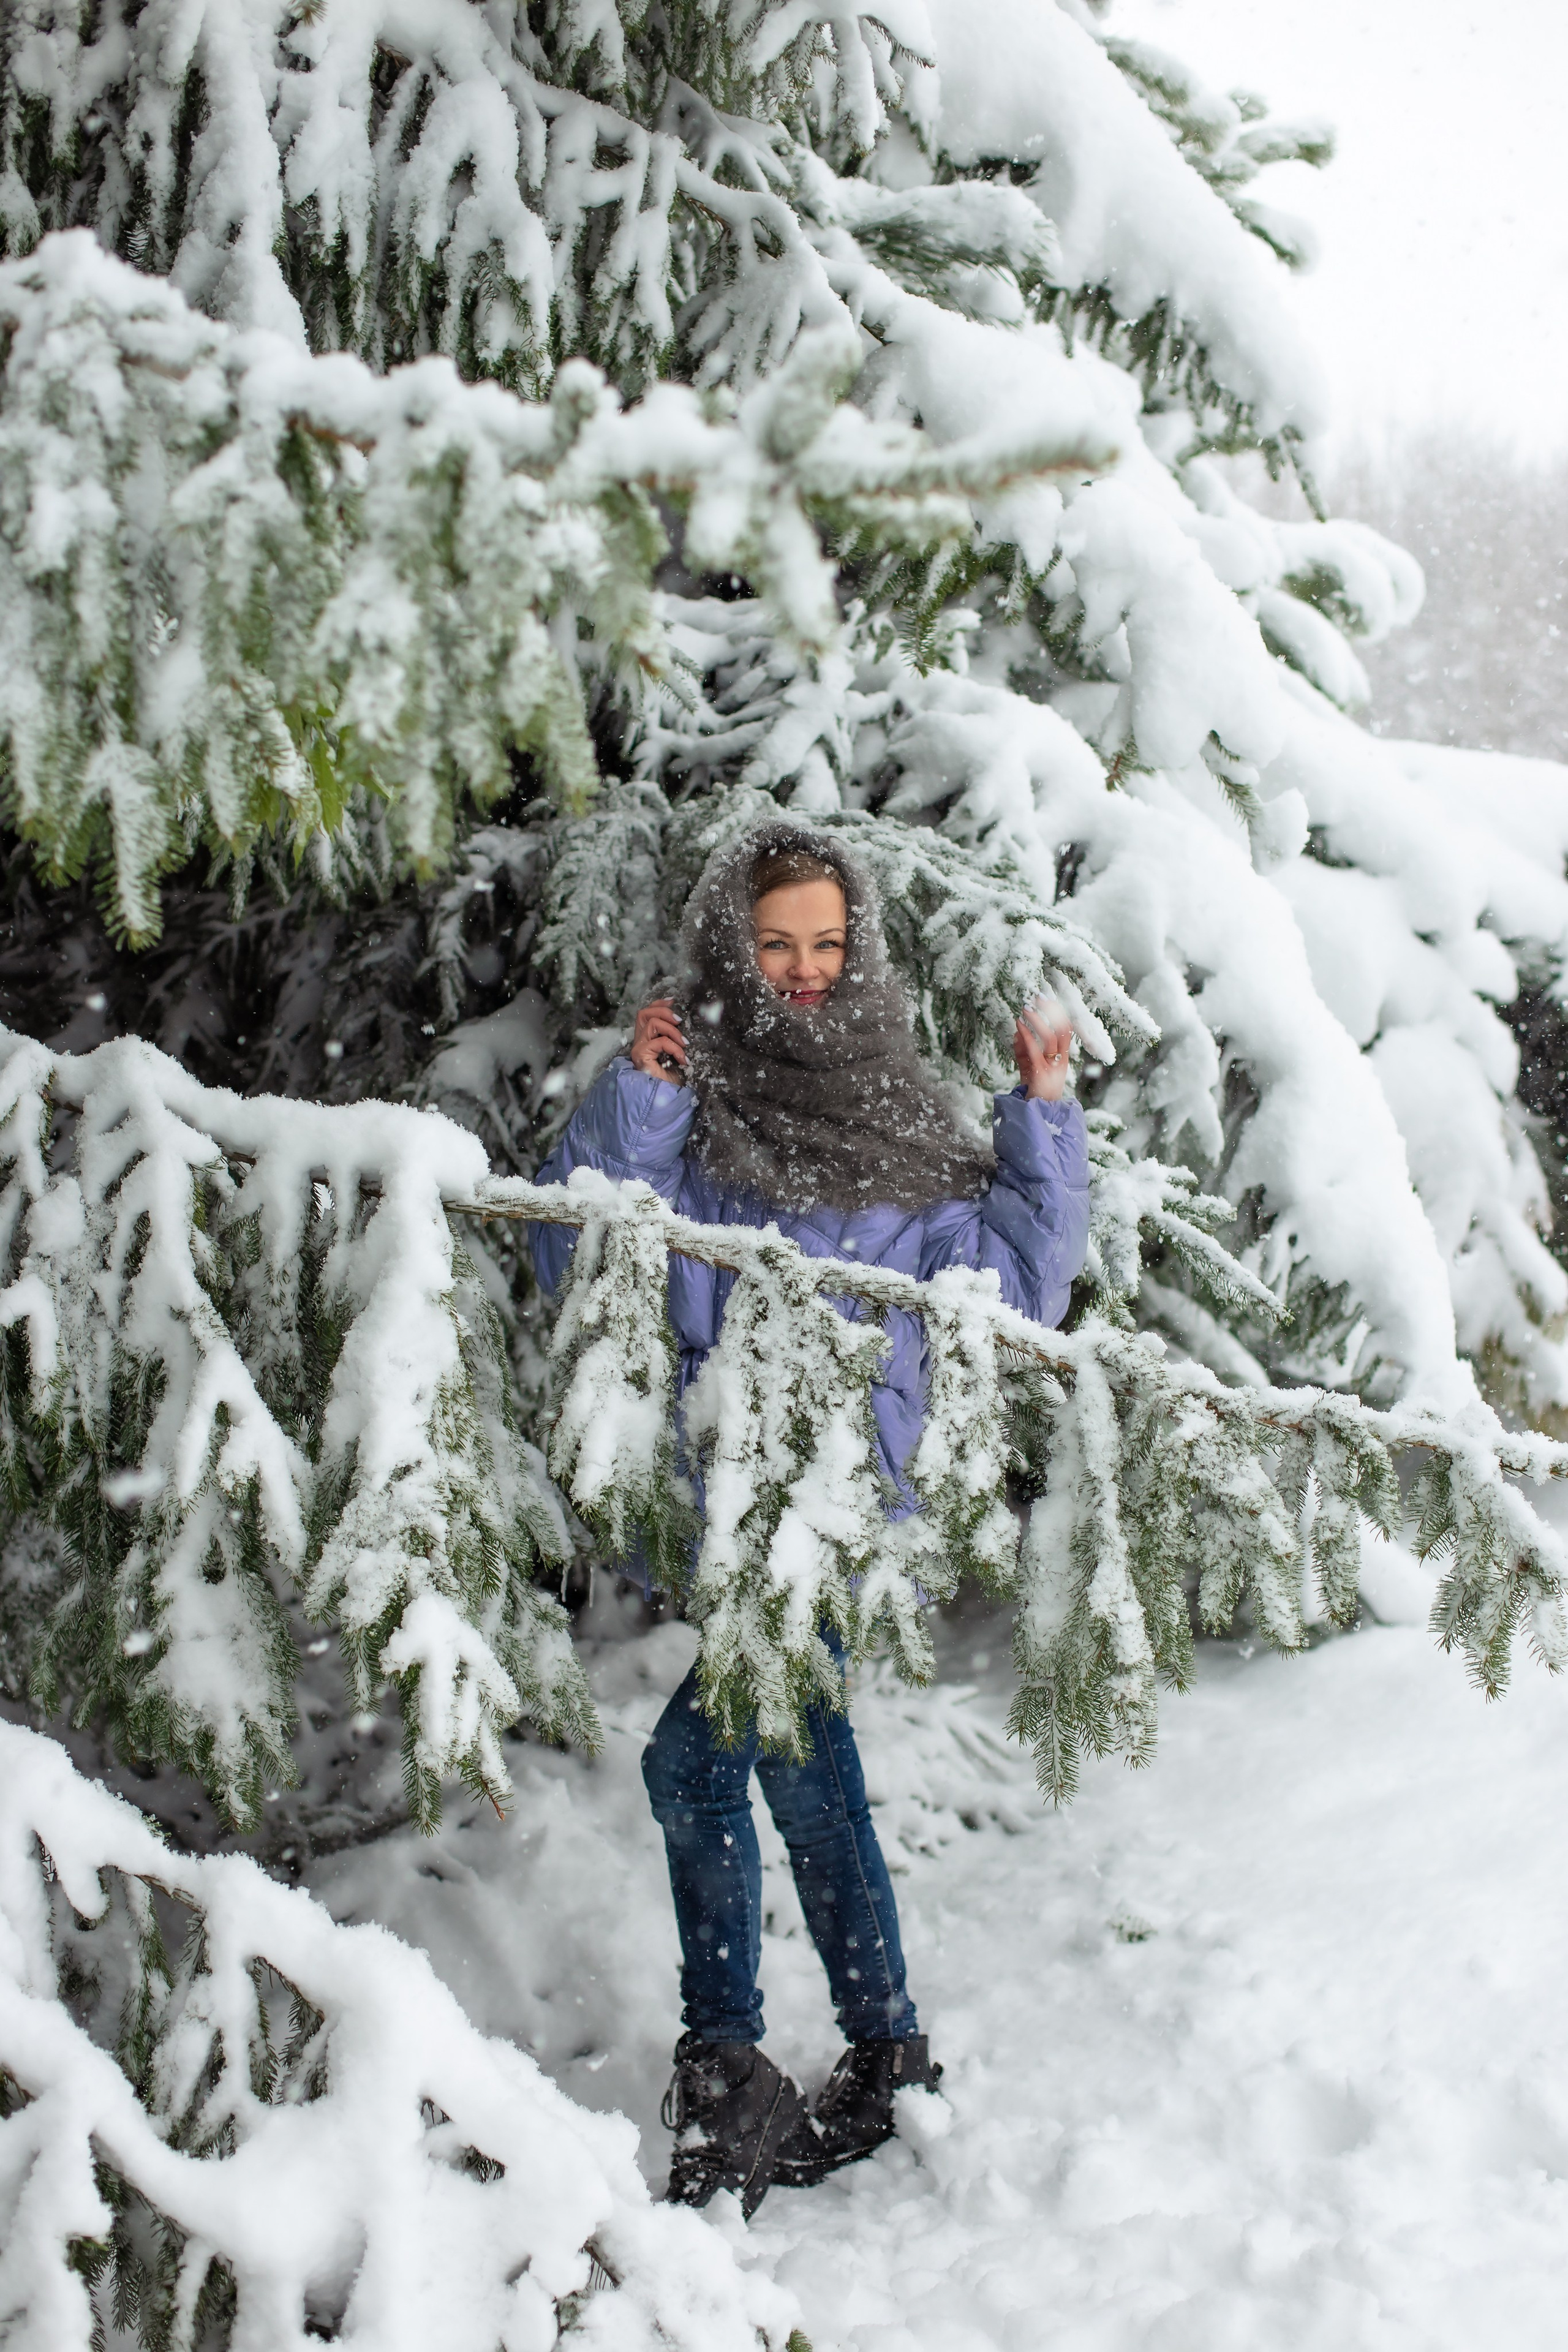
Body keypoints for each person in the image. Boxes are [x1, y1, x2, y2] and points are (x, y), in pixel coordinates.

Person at [530, 819, 1090, 2217]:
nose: (800, 970)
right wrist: (642, 1107)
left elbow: (1017, 1291)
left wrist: (1042, 1112)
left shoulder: (899, 1106)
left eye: (825, 943)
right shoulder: (692, 1103)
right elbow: (575, 1254)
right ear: (732, 945)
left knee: (696, 1767)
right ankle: (879, 2055)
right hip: (725, 1498)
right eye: (774, 943)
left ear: (859, 950)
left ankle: (728, 2073)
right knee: (794, 1761)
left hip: (837, 1507)